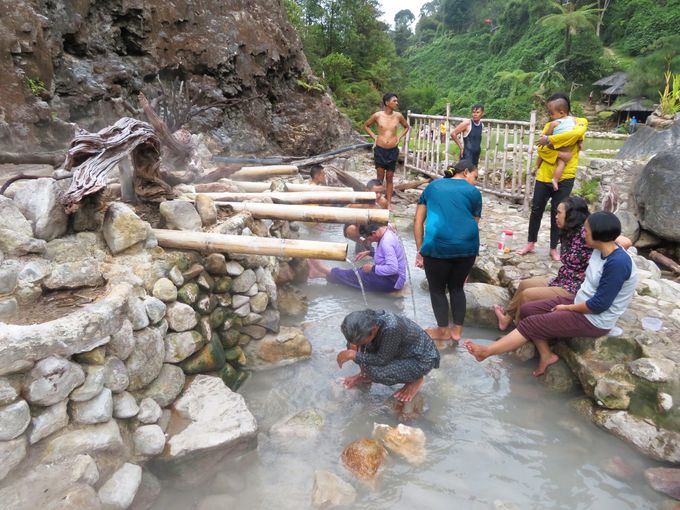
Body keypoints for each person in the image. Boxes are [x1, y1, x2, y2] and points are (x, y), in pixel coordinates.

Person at [466, 211, 638, 377]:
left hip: (594, 319)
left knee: (530, 324)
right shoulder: (603, 247)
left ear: (599, 235)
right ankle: (546, 355)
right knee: (527, 310)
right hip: (581, 301)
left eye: (587, 230)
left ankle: (486, 352)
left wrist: (568, 308)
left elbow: (599, 306)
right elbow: (620, 239)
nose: (583, 233)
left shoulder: (617, 264)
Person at [414, 159, 482, 341]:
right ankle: (457, 332)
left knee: (437, 290)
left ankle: (442, 331)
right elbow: (474, 223)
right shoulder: (474, 193)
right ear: (466, 172)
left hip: (438, 245)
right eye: (475, 176)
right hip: (468, 248)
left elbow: (418, 221)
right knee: (457, 288)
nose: (475, 181)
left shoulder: (433, 186)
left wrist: (420, 249)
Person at [517, 93, 588, 261]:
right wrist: (560, 155)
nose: (550, 115)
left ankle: (554, 248)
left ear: (563, 111)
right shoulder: (550, 124)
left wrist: (550, 139)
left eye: (552, 111)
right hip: (544, 176)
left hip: (566, 176)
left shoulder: (581, 122)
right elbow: (542, 149)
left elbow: (575, 135)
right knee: (536, 210)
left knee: (560, 213)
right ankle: (531, 242)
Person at [336, 309, 441, 402]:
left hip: (419, 359)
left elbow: (381, 360)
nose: (359, 344)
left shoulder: (391, 328)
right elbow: (359, 347)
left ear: (373, 331)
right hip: (397, 350)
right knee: (352, 346)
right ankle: (365, 375)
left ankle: (416, 379)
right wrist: (354, 348)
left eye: (361, 341)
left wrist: (353, 355)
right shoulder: (368, 321)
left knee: (375, 371)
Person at [308, 222, 406, 293]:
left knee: (357, 275)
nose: (369, 242)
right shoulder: (386, 231)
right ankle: (321, 274)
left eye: (369, 238)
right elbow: (388, 256)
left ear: (373, 233)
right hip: (394, 278)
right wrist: (370, 252)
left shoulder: (386, 243)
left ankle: (322, 270)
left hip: (392, 283)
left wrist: (372, 268)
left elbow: (393, 268)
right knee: (357, 273)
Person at [363, 93, 410, 210]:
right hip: (380, 149)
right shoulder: (377, 116)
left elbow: (406, 127)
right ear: (387, 103)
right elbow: (366, 125)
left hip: (392, 150)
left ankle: (388, 203)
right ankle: (376, 201)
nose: (396, 103)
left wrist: (398, 137)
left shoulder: (398, 116)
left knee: (390, 176)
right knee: (379, 177)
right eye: (394, 101)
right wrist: (374, 137)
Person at [534, 99, 576, 191]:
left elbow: (547, 136)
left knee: (543, 150)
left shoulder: (554, 123)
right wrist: (580, 143)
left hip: (554, 143)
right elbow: (578, 133)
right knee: (562, 163)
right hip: (565, 147)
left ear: (561, 113)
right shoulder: (573, 120)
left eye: (552, 114)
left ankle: (537, 166)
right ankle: (555, 179)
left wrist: (546, 138)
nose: (551, 116)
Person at [343, 179, 388, 255]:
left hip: (374, 228)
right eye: (376, 192)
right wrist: (364, 206)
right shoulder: (360, 200)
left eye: (381, 192)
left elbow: (387, 220)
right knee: (351, 230)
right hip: (359, 229)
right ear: (367, 191)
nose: (379, 195)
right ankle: (364, 243)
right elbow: (347, 214)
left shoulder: (382, 202)